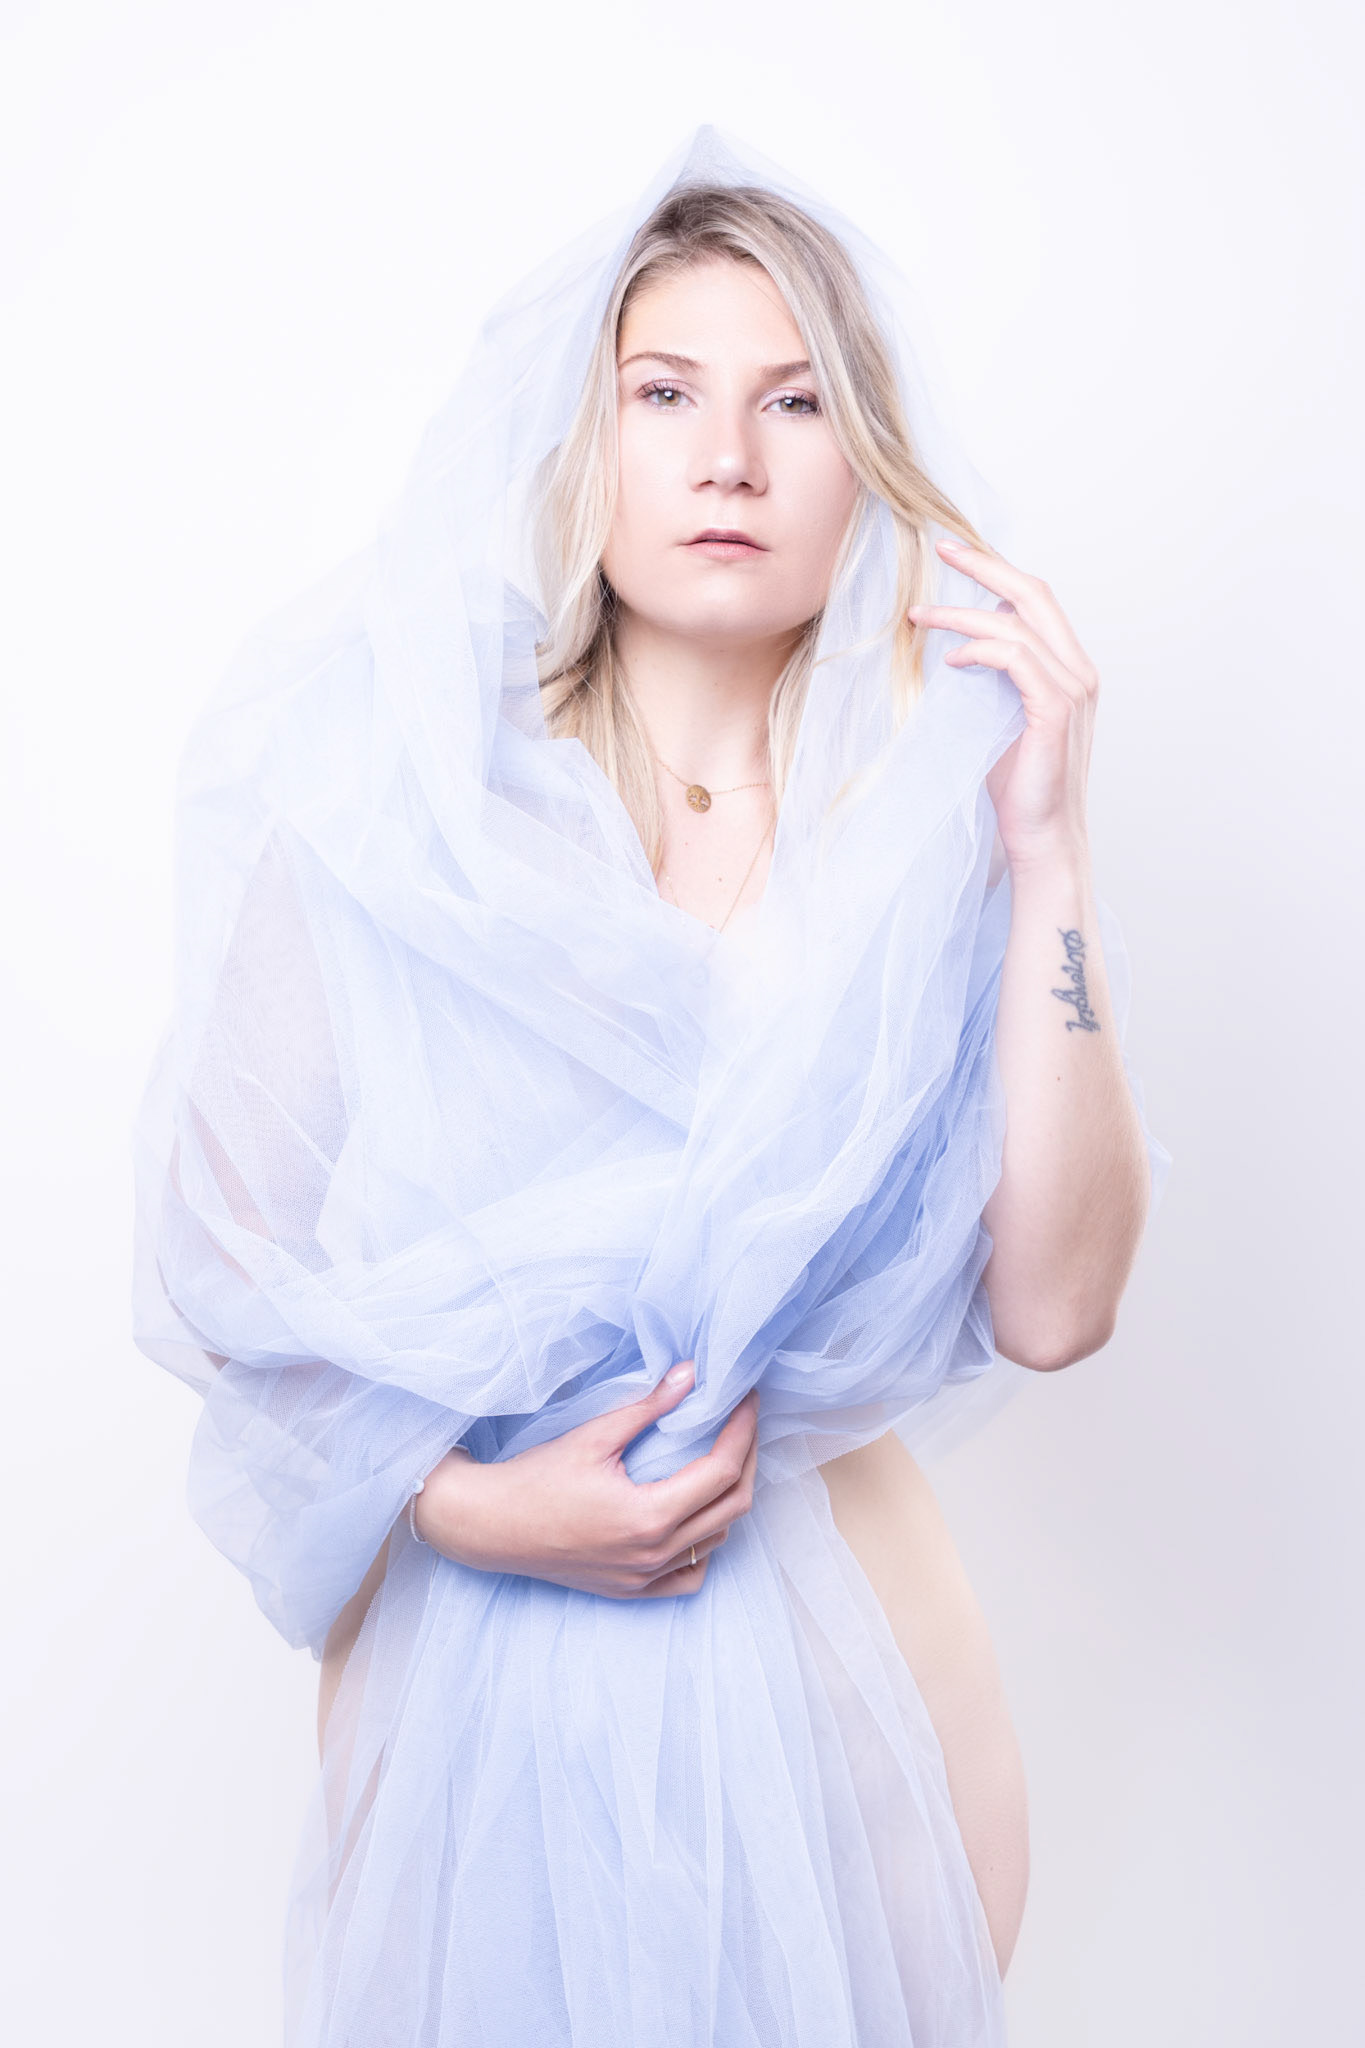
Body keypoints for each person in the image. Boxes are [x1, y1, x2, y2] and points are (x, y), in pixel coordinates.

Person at [132, 126, 1162, 2048]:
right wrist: (462, 1507)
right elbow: (223, 1266)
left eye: (796, 401)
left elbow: (1055, 1307)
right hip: (470, 1684)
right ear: (580, 438)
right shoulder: (403, 809)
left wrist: (1051, 851)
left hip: (854, 1683)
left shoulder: (928, 837)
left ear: (862, 463)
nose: (727, 458)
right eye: (664, 393)